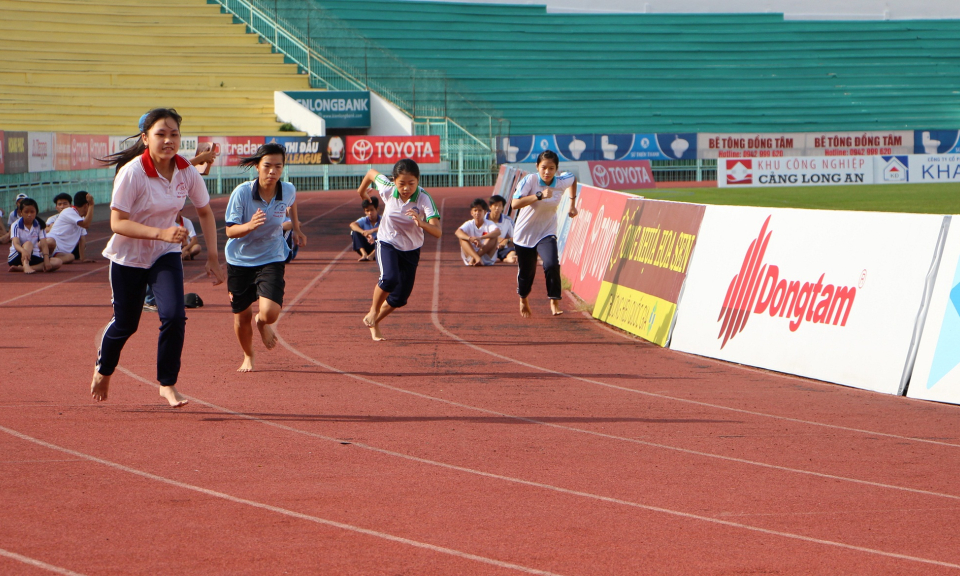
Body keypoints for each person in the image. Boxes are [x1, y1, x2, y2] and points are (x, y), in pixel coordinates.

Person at [92, 108, 225, 408]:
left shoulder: (186, 171)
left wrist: (214, 257)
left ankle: (167, 383)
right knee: (126, 324)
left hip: (164, 254)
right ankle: (104, 369)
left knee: (175, 316)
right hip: (128, 257)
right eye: (160, 134)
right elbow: (117, 223)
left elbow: (204, 211)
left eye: (174, 134)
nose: (168, 140)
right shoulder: (133, 173)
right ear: (145, 138)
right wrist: (160, 233)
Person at [224, 143, 306, 373]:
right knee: (241, 317)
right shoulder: (242, 193)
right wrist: (249, 225)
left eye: (278, 167)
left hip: (272, 256)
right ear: (257, 167)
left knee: (269, 313)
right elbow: (230, 231)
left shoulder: (287, 189)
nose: (272, 171)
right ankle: (248, 354)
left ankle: (261, 323)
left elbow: (293, 202)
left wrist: (297, 228)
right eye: (267, 166)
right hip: (240, 260)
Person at [358, 159, 441, 341]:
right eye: (401, 183)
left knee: (400, 298)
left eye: (411, 183)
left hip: (411, 249)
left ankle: (374, 321)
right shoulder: (387, 189)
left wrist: (421, 223)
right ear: (394, 180)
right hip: (387, 241)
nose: (406, 188)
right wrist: (361, 191)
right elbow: (371, 173)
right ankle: (373, 311)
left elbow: (438, 232)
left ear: (418, 181)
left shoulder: (424, 198)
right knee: (389, 278)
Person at [511, 150, 578, 317]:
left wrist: (572, 203)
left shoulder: (561, 182)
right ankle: (523, 298)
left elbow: (573, 178)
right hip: (524, 234)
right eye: (544, 168)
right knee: (528, 273)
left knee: (551, 264)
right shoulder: (530, 180)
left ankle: (554, 301)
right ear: (537, 167)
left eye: (551, 168)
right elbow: (514, 203)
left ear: (556, 169)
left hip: (546, 231)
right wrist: (538, 195)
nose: (547, 172)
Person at [7, 198, 62, 274]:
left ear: (36, 212)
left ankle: (23, 268)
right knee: (28, 243)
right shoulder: (15, 225)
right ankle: (25, 265)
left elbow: (43, 244)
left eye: (32, 212)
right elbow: (16, 243)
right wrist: (23, 251)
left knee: (57, 262)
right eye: (26, 212)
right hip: (17, 256)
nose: (29, 215)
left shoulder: (39, 225)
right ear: (21, 213)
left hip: (34, 255)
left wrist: (46, 259)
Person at [46, 191, 95, 264]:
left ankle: (46, 262)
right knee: (50, 242)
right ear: (85, 206)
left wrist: (83, 258)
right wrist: (91, 205)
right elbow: (86, 225)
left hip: (59, 252)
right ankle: (33, 255)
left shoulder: (80, 218)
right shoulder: (69, 211)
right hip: (49, 244)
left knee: (71, 257)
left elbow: (82, 239)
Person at [456, 198, 500, 266]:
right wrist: (470, 238)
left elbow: (497, 232)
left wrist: (481, 238)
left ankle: (475, 258)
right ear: (471, 213)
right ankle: (476, 258)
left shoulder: (489, 223)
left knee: (493, 237)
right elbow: (458, 232)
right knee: (462, 238)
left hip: (486, 256)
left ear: (485, 212)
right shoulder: (469, 223)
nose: (477, 213)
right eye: (475, 210)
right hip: (470, 255)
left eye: (480, 210)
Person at [486, 194, 516, 264]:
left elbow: (516, 237)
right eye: (495, 205)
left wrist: (507, 240)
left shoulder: (507, 220)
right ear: (490, 207)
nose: (497, 208)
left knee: (512, 251)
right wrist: (499, 240)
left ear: (503, 208)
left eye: (500, 206)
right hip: (486, 249)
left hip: (501, 249)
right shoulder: (484, 220)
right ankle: (498, 258)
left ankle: (507, 259)